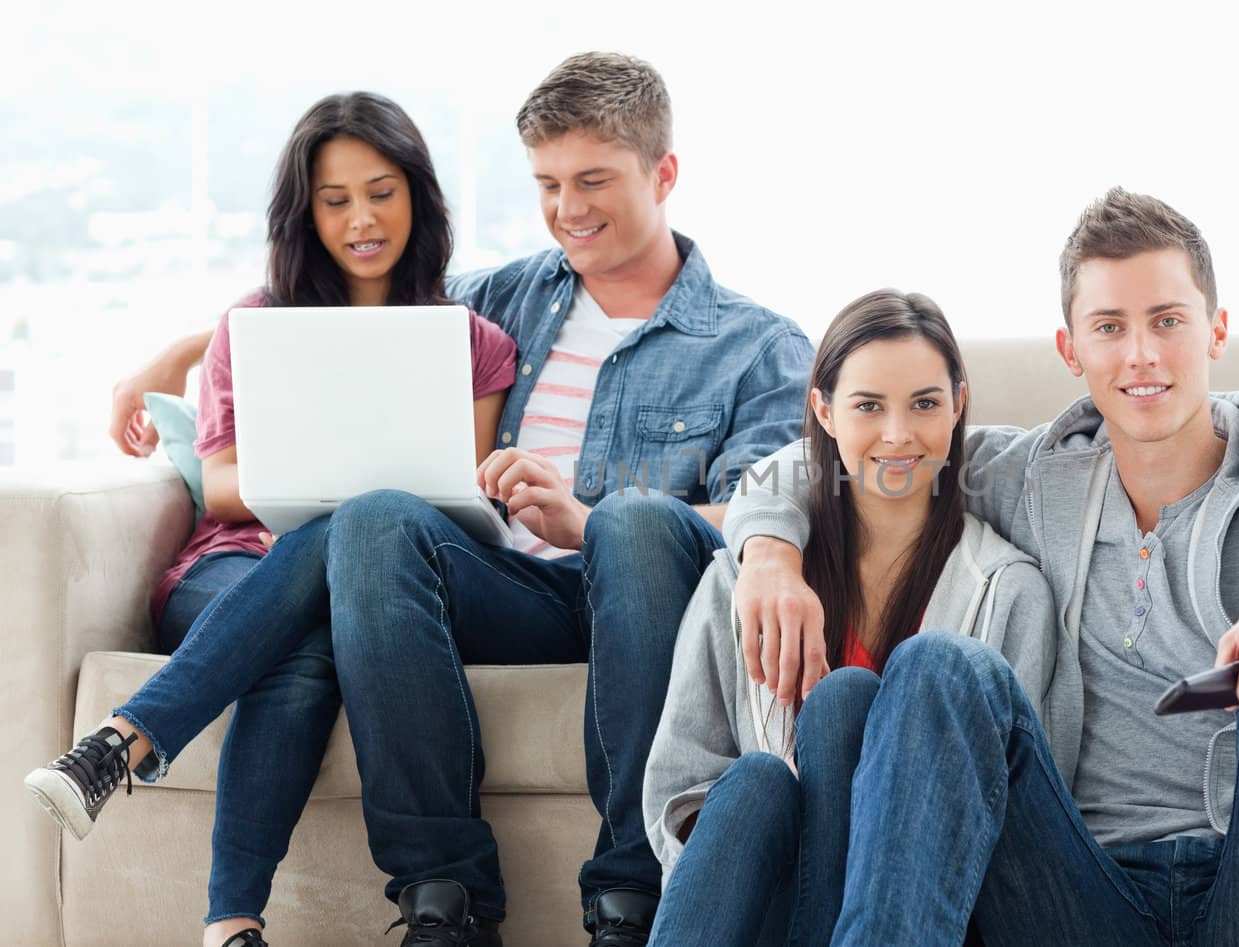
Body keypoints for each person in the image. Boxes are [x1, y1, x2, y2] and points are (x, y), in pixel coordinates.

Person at [81, 52, 813, 946]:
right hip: (510, 592)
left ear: (663, 174)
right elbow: (350, 299)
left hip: (643, 597)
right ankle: (446, 902)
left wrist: (583, 519)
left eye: (593, 181)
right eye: (548, 184)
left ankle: (631, 899)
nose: (568, 211)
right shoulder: (509, 297)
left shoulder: (756, 344)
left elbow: (762, 518)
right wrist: (177, 355)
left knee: (632, 523)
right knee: (377, 514)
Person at [725, 188, 1239, 945]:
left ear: (1216, 330)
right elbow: (842, 458)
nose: (1141, 354)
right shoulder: (1032, 475)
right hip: (1076, 891)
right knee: (937, 667)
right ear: (1071, 349)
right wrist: (769, 557)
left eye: (1168, 321)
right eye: (1110, 327)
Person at [25, 92, 517, 947]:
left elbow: (456, 493)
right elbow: (218, 487)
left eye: (382, 191)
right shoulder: (254, 323)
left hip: (372, 587)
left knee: (323, 613)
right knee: (328, 562)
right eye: (335, 200)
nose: (362, 218)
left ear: (418, 198)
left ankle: (143, 785)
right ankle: (219, 903)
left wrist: (348, 506)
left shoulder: (472, 340)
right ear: (307, 212)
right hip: (232, 569)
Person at [643, 290, 1054, 945]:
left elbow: (1023, 808)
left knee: (845, 701)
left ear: (958, 406)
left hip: (922, 909)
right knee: (755, 781)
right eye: (868, 405)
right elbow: (679, 783)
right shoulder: (742, 578)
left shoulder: (1010, 592)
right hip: (767, 899)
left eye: (925, 403)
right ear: (823, 410)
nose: (898, 434)